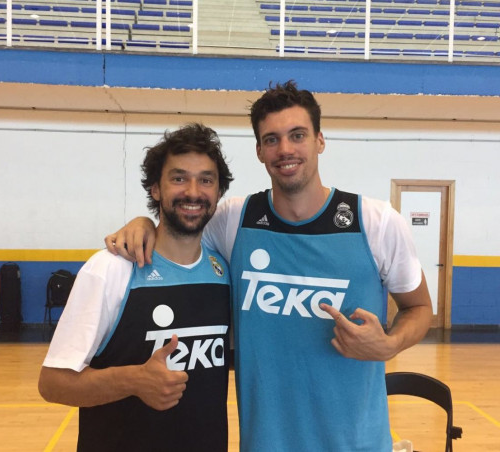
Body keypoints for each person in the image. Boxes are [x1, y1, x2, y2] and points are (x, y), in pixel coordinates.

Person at [105, 82, 433, 451]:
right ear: (259, 150)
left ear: (320, 140)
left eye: (298, 135)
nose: (286, 149)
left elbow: (419, 308)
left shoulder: (376, 222)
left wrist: (389, 345)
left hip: (357, 443)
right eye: (272, 139)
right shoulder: (234, 221)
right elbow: (182, 221)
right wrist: (144, 223)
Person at [39, 123, 234, 452]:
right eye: (178, 177)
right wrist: (132, 381)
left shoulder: (222, 270)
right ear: (156, 189)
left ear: (217, 192)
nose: (193, 191)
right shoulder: (111, 268)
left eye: (206, 179)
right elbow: (53, 383)